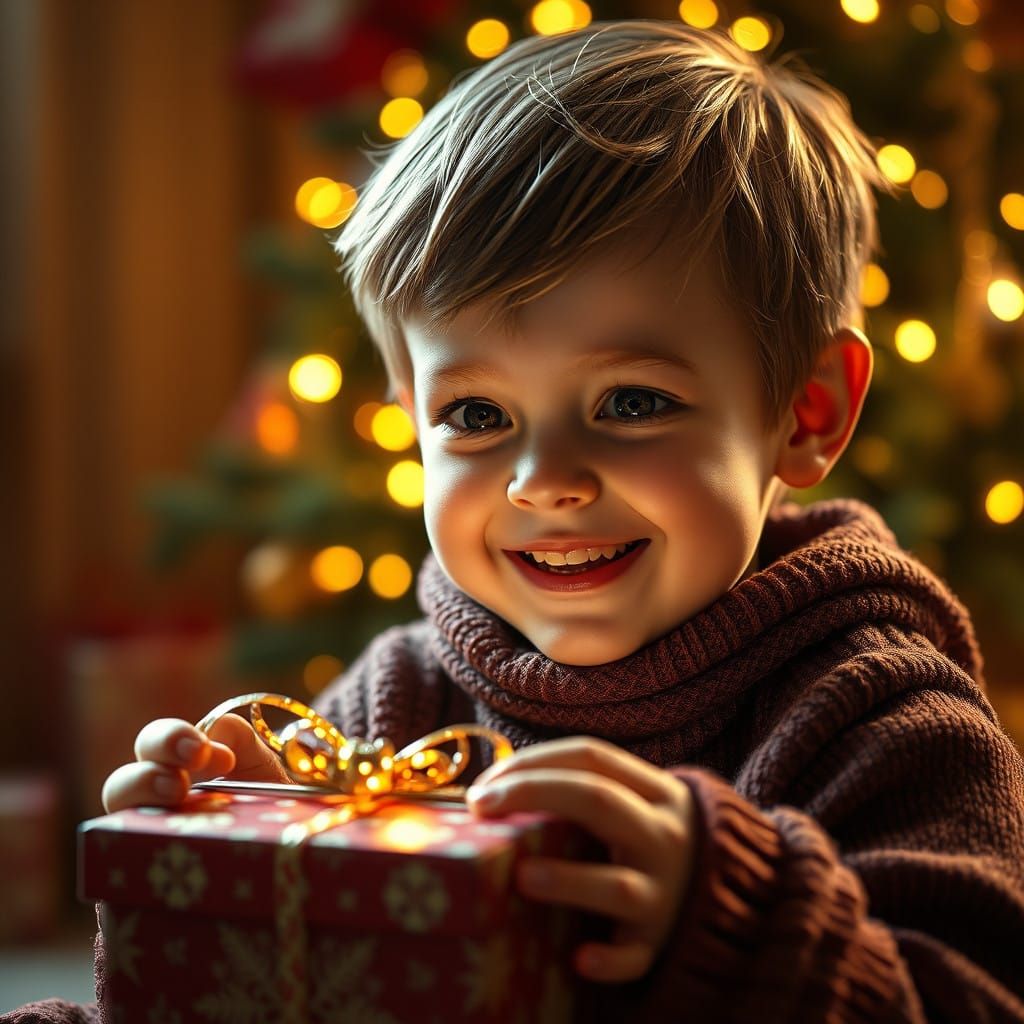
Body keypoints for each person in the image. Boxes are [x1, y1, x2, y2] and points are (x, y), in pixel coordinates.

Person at [21, 20, 1024, 1024]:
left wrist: (735, 919)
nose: (543, 483)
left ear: (807, 412)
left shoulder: (886, 722)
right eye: (475, 416)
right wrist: (221, 886)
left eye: (631, 401)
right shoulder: (392, 703)